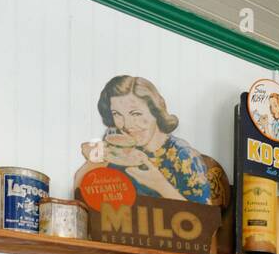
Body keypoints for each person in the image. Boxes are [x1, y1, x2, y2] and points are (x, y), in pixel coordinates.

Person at [78, 75, 212, 203]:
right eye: (117, 114)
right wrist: (93, 162)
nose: (126, 125)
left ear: (155, 111)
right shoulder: (117, 147)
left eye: (135, 113)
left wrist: (160, 185)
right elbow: (80, 196)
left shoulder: (183, 155)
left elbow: (209, 221)